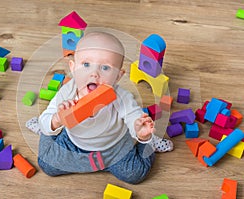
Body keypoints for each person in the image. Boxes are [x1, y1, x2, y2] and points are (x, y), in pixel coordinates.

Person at [26, 31, 173, 184]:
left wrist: (140, 132)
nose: (94, 73)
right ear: (73, 68)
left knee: (135, 174)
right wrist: (56, 120)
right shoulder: (66, 93)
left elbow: (133, 116)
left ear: (118, 76)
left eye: (105, 68)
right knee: (47, 164)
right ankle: (48, 132)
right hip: (74, 144)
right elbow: (51, 115)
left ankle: (149, 142)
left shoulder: (121, 97)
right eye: (86, 65)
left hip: (114, 147)